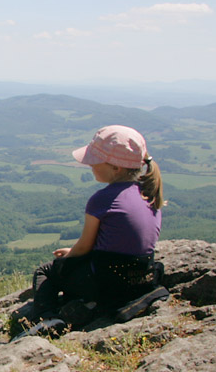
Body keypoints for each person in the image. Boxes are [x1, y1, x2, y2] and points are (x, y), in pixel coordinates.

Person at [27, 125, 165, 331]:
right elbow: (119, 243)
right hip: (140, 281)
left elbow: (84, 247)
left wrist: (70, 255)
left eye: (95, 161)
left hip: (106, 283)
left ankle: (47, 319)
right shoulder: (149, 193)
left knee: (46, 271)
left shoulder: (102, 199)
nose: (90, 165)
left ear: (116, 168)